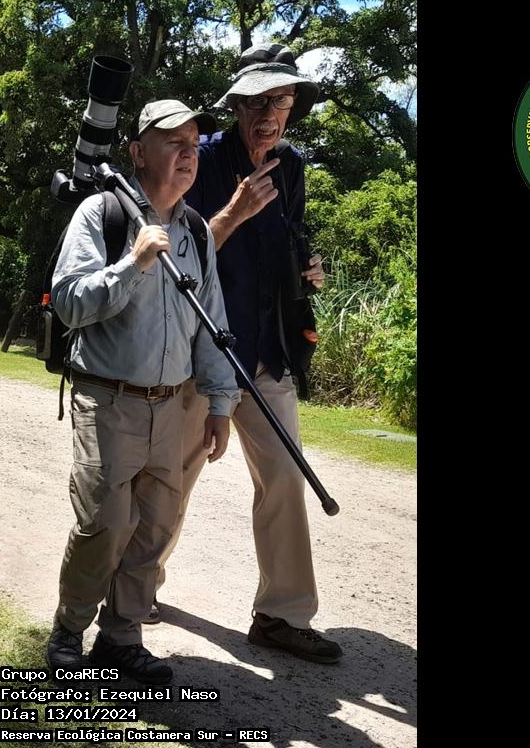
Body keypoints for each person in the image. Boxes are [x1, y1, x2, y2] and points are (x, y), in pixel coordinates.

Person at [152, 44, 341, 664]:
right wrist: (232, 213)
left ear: (292, 107)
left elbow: (290, 238)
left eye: (280, 101)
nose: (269, 115)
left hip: (265, 353)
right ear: (236, 106)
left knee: (285, 476)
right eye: (257, 102)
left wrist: (308, 268)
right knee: (172, 478)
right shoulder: (200, 159)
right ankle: (135, 590)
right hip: (199, 351)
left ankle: (282, 615)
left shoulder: (292, 167)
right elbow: (175, 254)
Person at [45, 100, 241, 683]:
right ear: (137, 152)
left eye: (194, 144)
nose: (188, 154)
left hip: (172, 404)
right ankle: (69, 631)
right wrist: (133, 263)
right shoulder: (101, 214)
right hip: (106, 399)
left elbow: (212, 321)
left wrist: (220, 403)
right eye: (173, 141)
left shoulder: (197, 231)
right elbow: (70, 302)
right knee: (105, 525)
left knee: (154, 529)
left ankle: (121, 638)